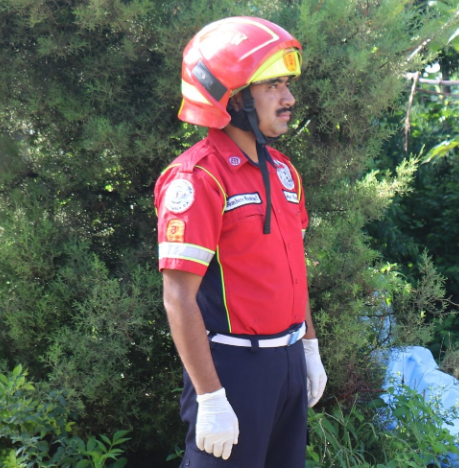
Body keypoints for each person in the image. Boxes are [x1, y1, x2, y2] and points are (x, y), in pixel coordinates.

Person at [153, 16, 327, 468]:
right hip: (232, 371)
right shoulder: (198, 177)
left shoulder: (284, 171)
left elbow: (294, 269)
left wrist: (308, 347)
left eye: (286, 84)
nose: (288, 98)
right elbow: (178, 297)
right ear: (229, 95)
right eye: (272, 85)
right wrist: (211, 397)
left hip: (288, 364)